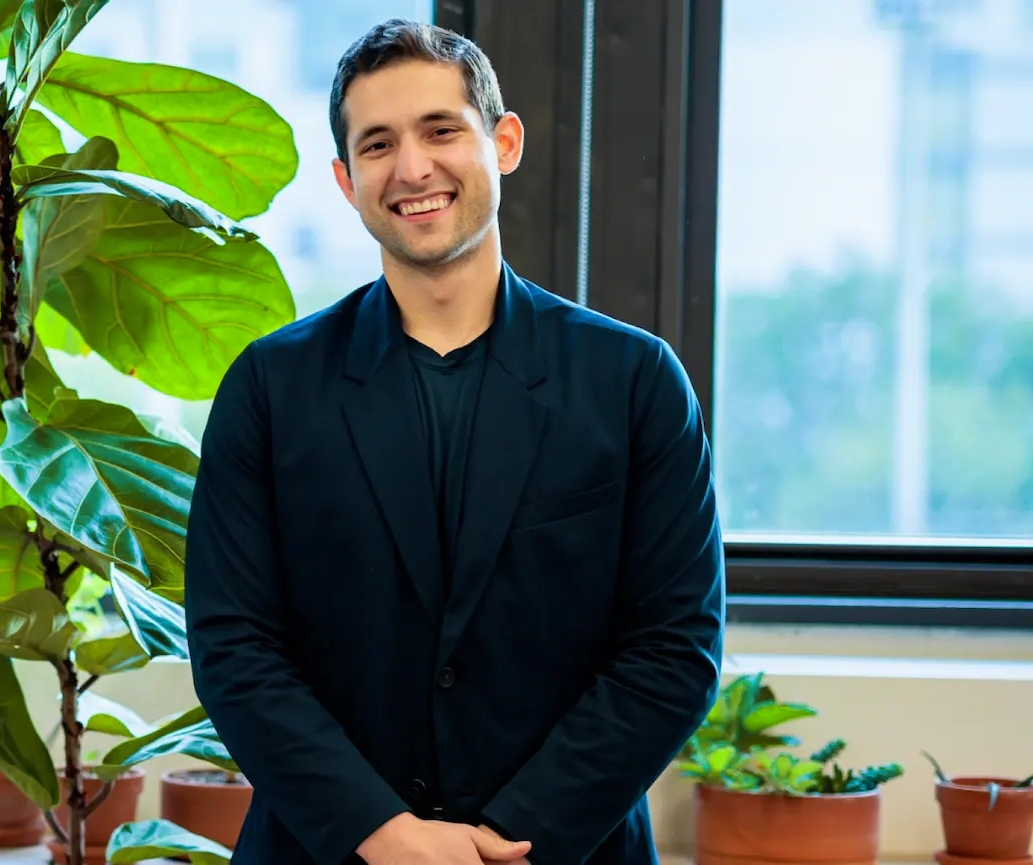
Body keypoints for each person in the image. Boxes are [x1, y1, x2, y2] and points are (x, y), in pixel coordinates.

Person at [184, 19, 726, 865]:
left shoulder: (634, 380)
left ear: (502, 142)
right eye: (377, 144)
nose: (412, 168)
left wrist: (506, 843)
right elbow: (234, 646)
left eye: (441, 130)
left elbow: (673, 649)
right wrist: (384, 834)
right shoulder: (269, 388)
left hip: (564, 852)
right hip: (326, 850)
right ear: (345, 178)